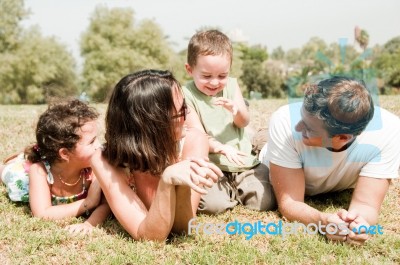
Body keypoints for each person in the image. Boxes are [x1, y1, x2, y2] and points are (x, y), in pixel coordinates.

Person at [260, 76, 400, 245]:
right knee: (258, 143)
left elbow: (366, 205)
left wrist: (358, 224)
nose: (298, 127)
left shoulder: (390, 132)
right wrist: (322, 221)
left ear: (342, 138)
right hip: (277, 155)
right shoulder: (284, 122)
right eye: (301, 118)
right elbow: (290, 203)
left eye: (309, 128)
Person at [90, 69, 223, 241]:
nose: (187, 115)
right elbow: (148, 237)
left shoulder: (194, 141)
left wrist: (181, 186)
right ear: (152, 124)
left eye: (185, 107)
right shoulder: (104, 161)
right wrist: (167, 181)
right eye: (180, 112)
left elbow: (182, 229)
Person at [182, 29, 275, 214]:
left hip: (242, 161)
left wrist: (237, 111)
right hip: (212, 163)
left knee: (265, 202)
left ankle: (258, 141)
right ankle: (228, 193)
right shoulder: (186, 94)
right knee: (212, 207)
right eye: (207, 76)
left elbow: (243, 122)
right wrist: (222, 148)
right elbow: (197, 134)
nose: (215, 82)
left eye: (222, 76)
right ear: (190, 70)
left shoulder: (232, 86)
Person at [0, 99, 110, 234]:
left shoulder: (94, 170)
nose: (99, 145)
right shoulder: (40, 172)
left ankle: (24, 156)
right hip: (25, 179)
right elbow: (42, 214)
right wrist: (88, 202)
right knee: (10, 172)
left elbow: (105, 204)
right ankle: (16, 160)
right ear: (64, 153)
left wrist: (89, 224)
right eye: (92, 142)